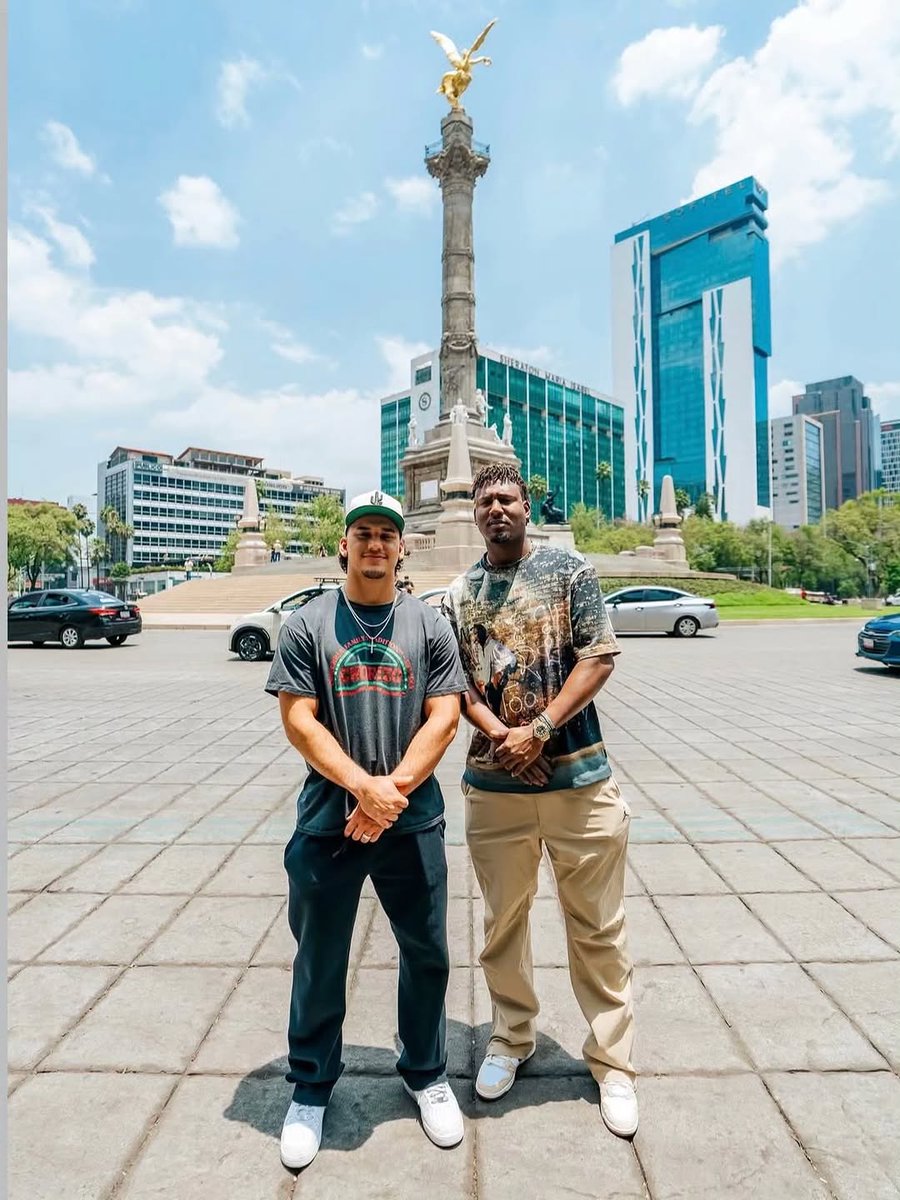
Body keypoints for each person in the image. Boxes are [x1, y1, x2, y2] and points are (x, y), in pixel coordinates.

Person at [265, 488, 467, 1170]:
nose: (375, 543)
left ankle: (426, 1072)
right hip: (331, 819)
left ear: (401, 545)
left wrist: (392, 794)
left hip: (412, 821)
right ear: (343, 545)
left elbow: (444, 716)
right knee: (320, 957)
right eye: (363, 533)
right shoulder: (308, 624)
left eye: (387, 533)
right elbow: (299, 719)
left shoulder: (430, 625)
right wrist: (363, 788)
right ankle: (311, 1086)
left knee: (429, 953)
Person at [442, 463, 638, 1139]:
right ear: (474, 512)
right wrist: (505, 737)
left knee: (597, 927)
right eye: (485, 500)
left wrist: (541, 730)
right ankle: (511, 1037)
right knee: (503, 924)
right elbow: (456, 684)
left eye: (507, 499)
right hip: (495, 787)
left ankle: (612, 1061)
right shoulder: (458, 592)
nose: (496, 508)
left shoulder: (570, 572)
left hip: (579, 782)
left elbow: (599, 656)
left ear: (527, 507)